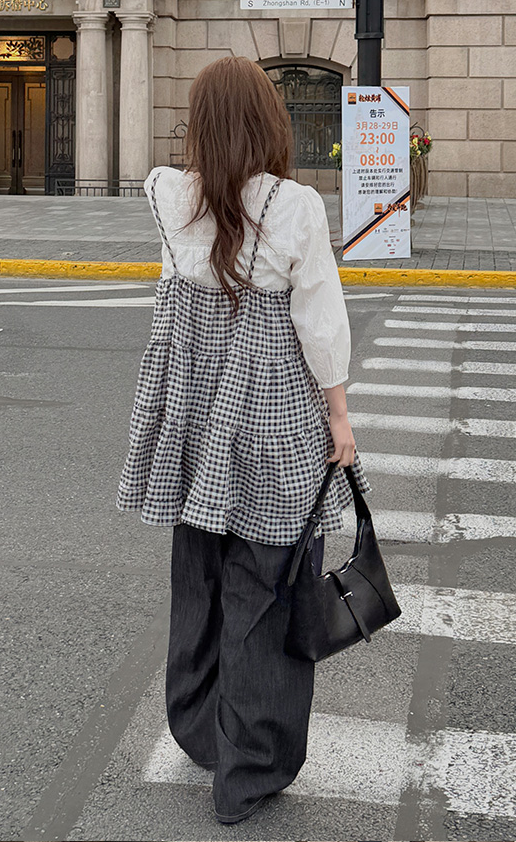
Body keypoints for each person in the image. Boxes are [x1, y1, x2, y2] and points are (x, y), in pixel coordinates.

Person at [117, 55, 368, 826]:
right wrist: (339, 416)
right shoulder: (294, 207)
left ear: (200, 126)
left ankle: (201, 729)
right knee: (269, 587)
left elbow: (174, 295)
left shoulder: (168, 194)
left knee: (199, 577)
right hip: (270, 416)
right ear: (267, 122)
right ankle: (250, 766)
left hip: (195, 415)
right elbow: (319, 319)